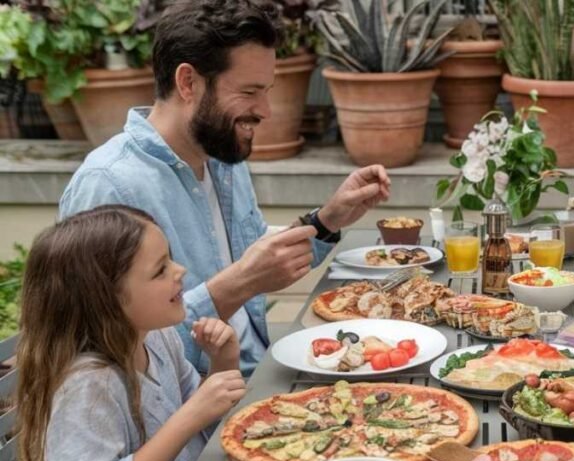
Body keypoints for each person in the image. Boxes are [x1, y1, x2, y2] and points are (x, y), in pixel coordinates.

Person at [59, 0, 391, 377]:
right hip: (198, 417)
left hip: (261, 372)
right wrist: (236, 285)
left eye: (267, 90)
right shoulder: (109, 184)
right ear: (188, 82)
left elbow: (257, 261)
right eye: (249, 92)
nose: (265, 110)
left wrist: (327, 220)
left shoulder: (220, 157)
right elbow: (104, 358)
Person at [16, 205, 247, 461]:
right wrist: (191, 414)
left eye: (170, 259)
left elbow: (211, 428)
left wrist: (222, 363)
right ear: (106, 300)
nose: (179, 270)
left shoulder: (157, 339)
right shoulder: (85, 386)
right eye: (159, 270)